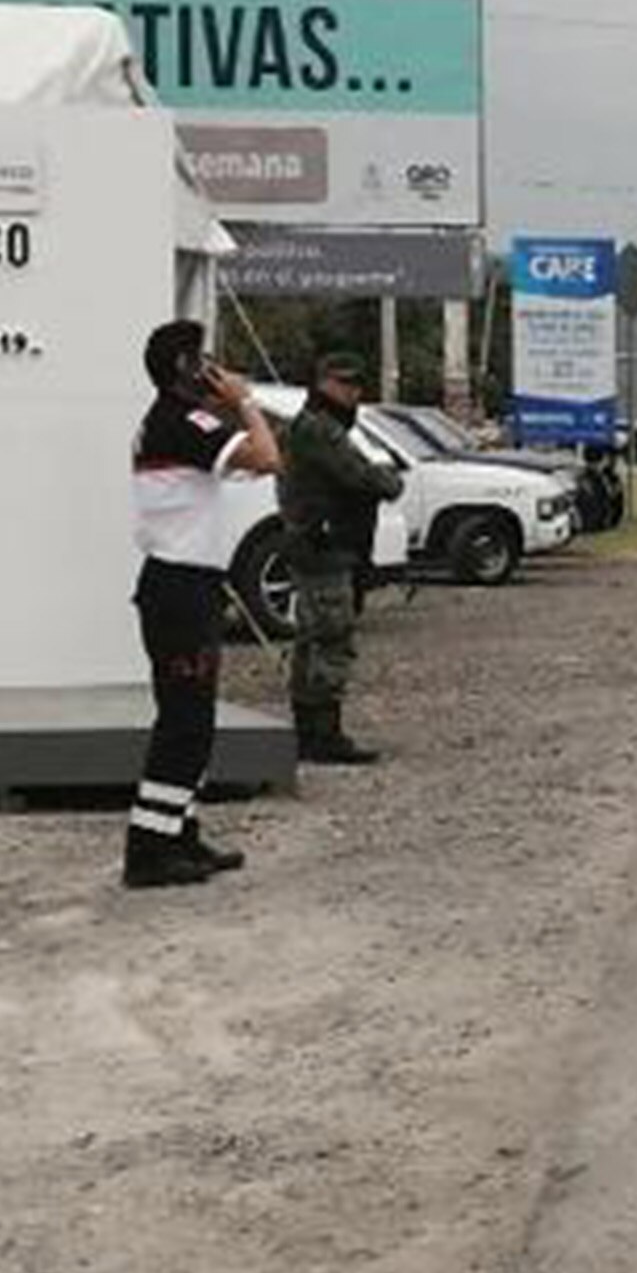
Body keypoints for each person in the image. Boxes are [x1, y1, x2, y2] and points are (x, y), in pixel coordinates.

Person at [126, 318, 282, 889]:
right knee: (185, 725)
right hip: (180, 588)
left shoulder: (173, 422)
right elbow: (268, 458)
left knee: (191, 720)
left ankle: (177, 836)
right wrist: (246, 402)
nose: (215, 368)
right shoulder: (185, 420)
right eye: (205, 360)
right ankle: (148, 851)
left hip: (180, 585)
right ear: (187, 369)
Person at [276, 350, 407, 765]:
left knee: (314, 638)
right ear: (324, 384)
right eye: (345, 384)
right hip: (324, 545)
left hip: (321, 543)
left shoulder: (315, 425)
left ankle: (309, 730)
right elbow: (360, 475)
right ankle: (322, 733)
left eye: (356, 384)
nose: (354, 393)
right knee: (331, 638)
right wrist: (388, 481)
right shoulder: (319, 429)